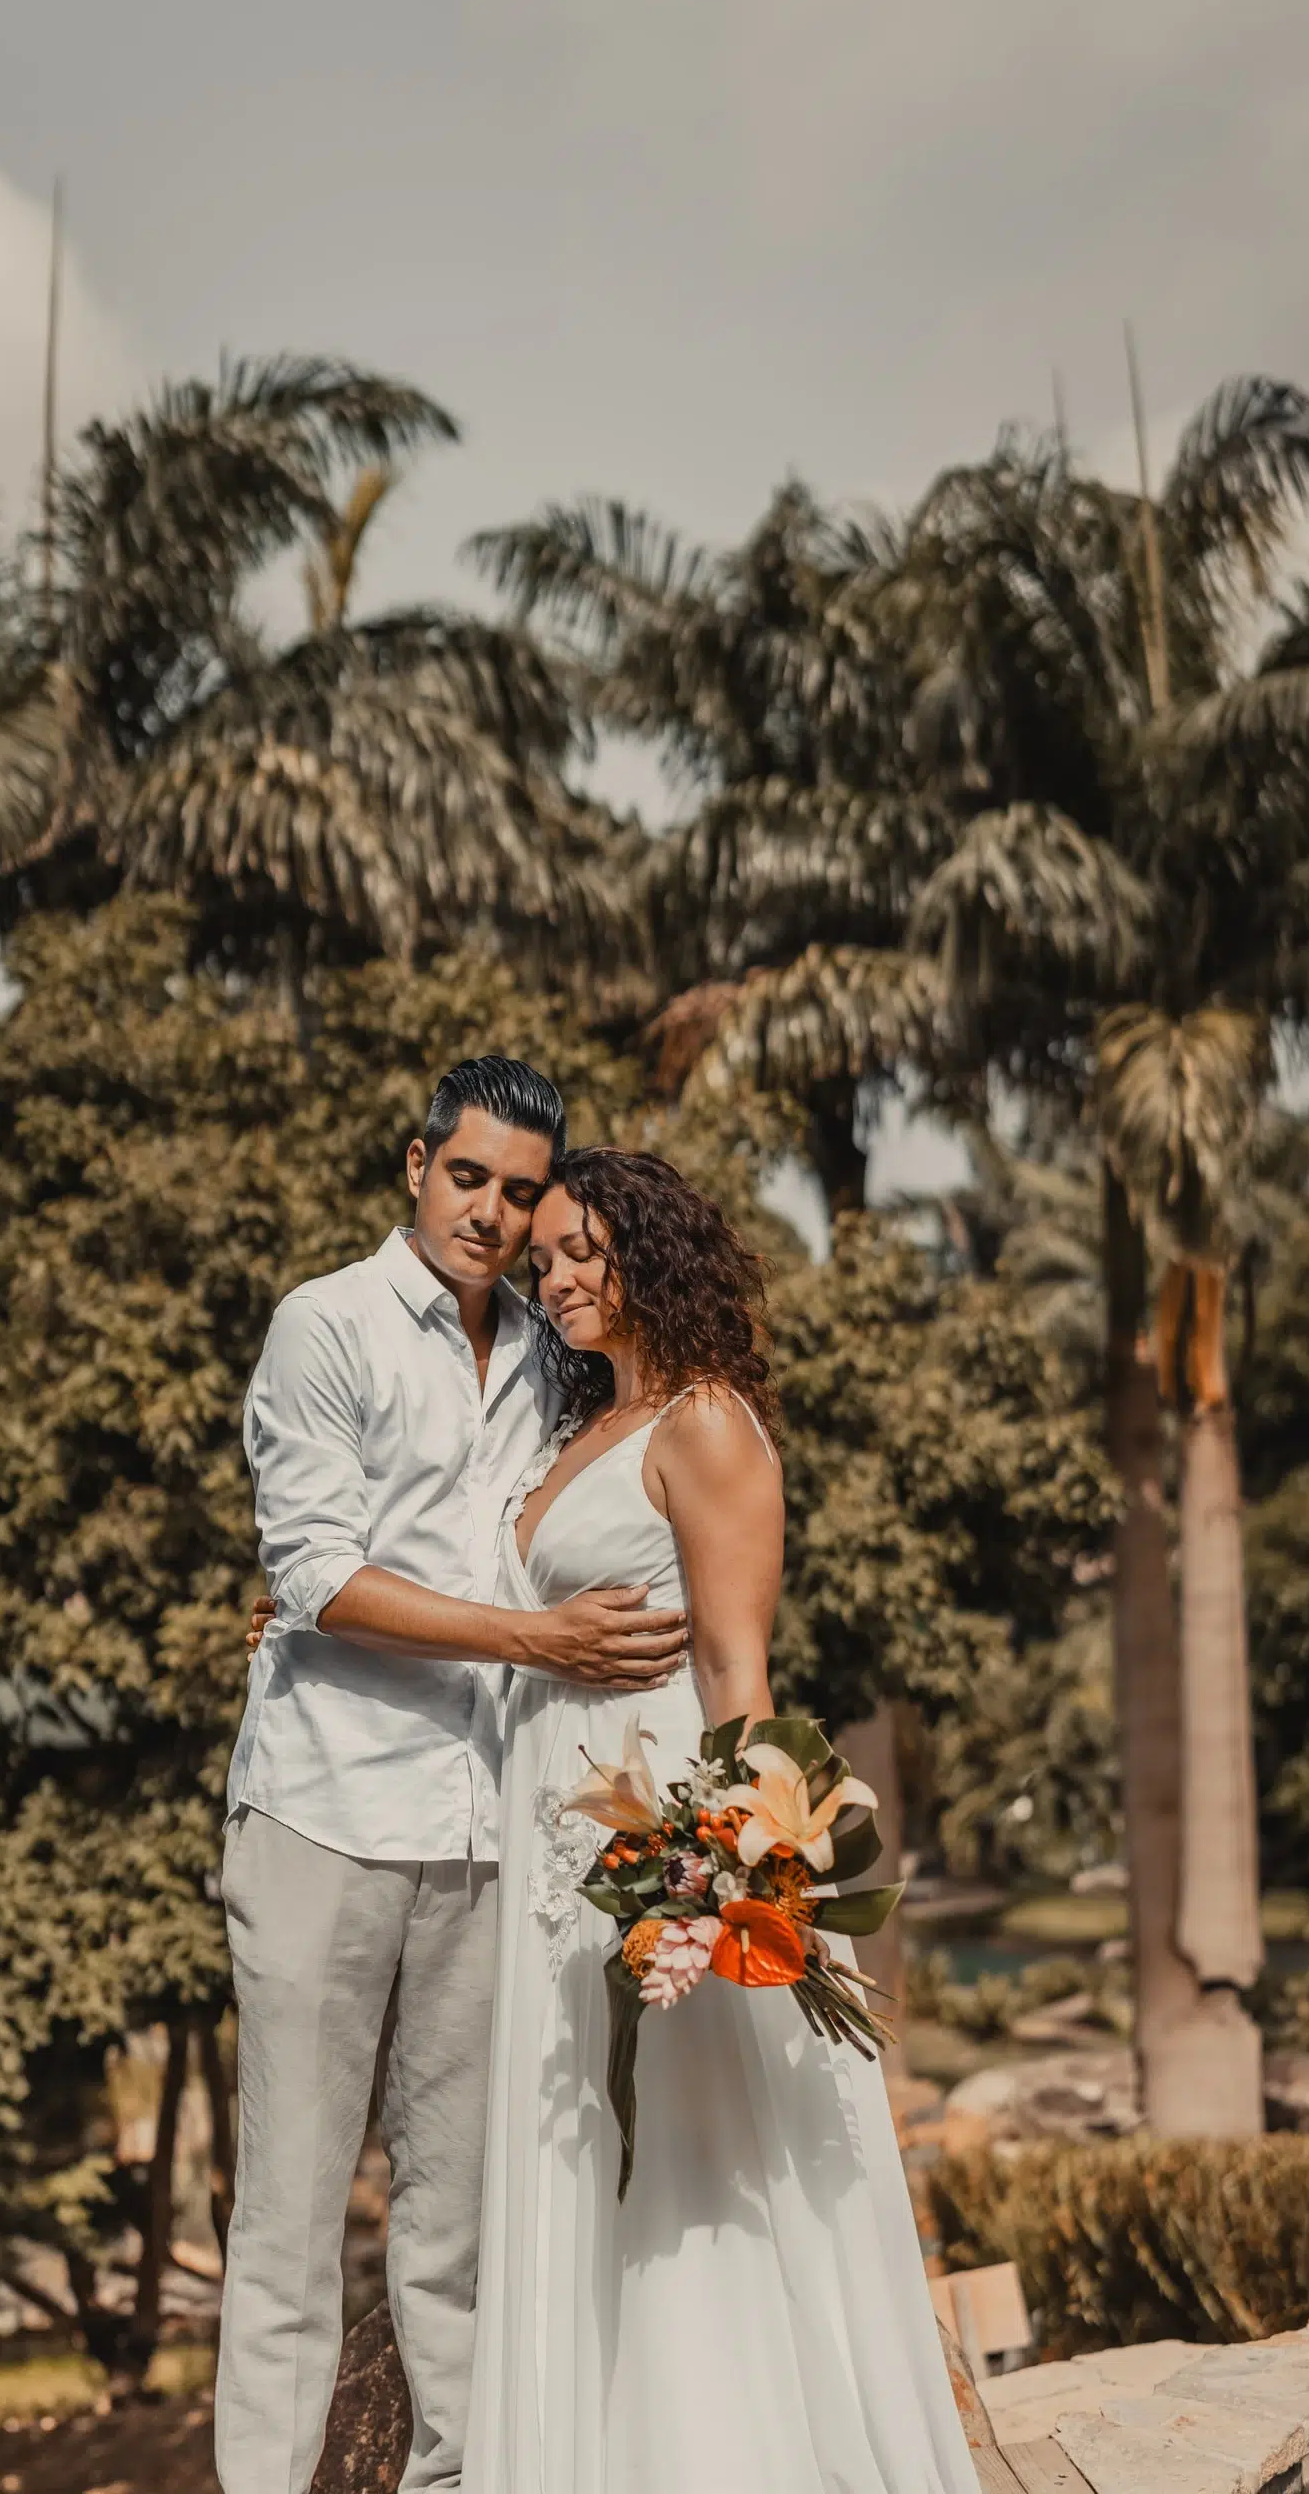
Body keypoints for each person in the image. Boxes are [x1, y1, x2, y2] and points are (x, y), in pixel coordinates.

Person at [462, 1147, 980, 2494]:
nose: (559, 1276)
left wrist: (725, 1874)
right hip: (555, 1859)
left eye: (586, 1249)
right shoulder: (574, 1429)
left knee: (687, 2177)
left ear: (653, 1251)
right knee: (591, 2161)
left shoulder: (705, 1423)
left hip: (662, 1856)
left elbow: (738, 1673)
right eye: (545, 1260)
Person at [217, 1061, 690, 2494]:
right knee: (291, 2223)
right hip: (325, 1816)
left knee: (461, 2230)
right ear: (416, 1166)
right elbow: (310, 1571)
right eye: (467, 1177)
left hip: (495, 1830)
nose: (491, 1212)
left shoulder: (556, 1351)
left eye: (519, 1190)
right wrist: (531, 1637)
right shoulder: (327, 1326)